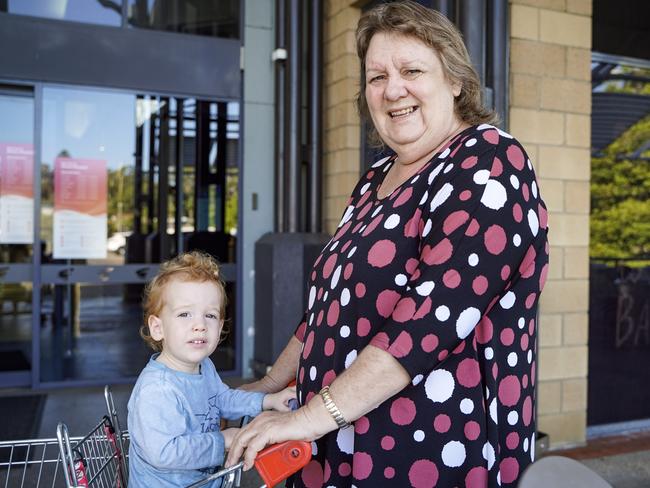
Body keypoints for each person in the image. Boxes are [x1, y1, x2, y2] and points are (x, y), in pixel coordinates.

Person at [227, 1, 549, 487]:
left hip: (430, 455)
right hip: (332, 444)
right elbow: (329, 305)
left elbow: (426, 322)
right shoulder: (377, 176)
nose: (392, 89)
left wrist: (308, 417)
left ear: (455, 80)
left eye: (412, 70)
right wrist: (269, 387)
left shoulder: (489, 163)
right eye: (376, 77)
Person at [127, 251, 296, 488]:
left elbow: (222, 399)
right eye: (184, 314)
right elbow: (163, 453)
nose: (199, 325)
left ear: (221, 327)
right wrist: (222, 441)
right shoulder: (157, 389)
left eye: (210, 315)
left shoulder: (203, 367)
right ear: (158, 328)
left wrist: (267, 401)